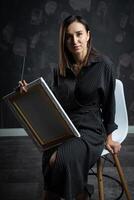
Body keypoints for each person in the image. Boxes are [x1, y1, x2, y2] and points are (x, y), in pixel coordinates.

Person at [19, 15, 121, 200]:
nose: (74, 40)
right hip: (65, 127)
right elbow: (52, 102)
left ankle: (76, 194)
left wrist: (110, 137)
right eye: (68, 36)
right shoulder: (60, 69)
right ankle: (80, 192)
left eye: (79, 34)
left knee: (59, 160)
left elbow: (109, 105)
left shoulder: (104, 65)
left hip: (90, 129)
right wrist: (28, 94)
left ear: (88, 35)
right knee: (48, 156)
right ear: (63, 40)